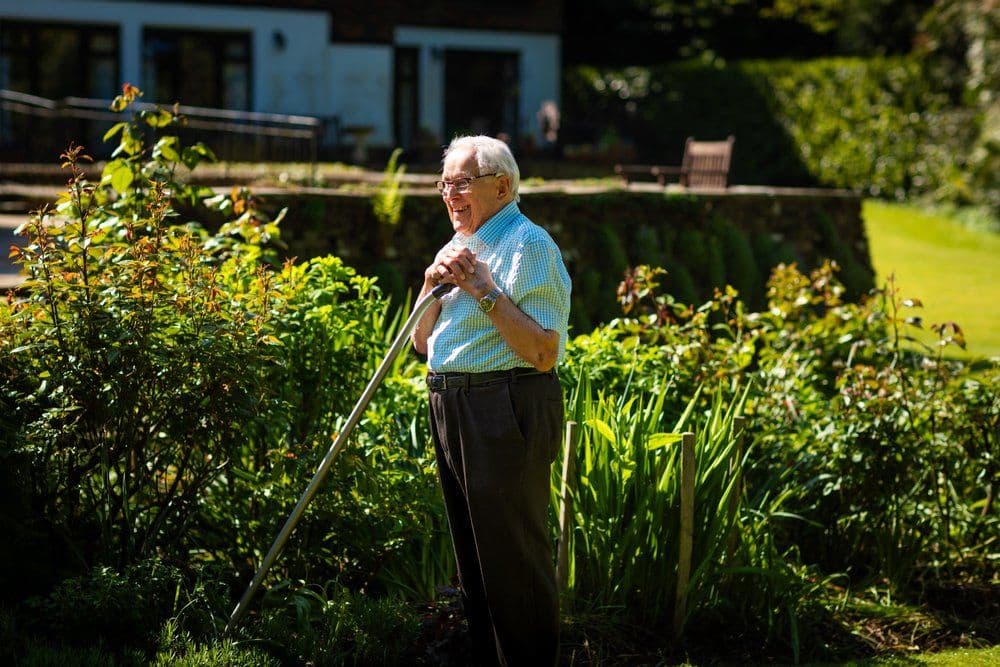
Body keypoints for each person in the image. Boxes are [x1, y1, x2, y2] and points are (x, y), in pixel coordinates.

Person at [411, 135, 572, 666]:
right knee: (475, 560)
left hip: (505, 404)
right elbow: (418, 342)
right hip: (452, 404)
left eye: (461, 183)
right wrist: (429, 284)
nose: (449, 194)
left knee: (514, 563)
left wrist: (484, 290)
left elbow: (544, 352)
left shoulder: (531, 246)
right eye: (444, 184)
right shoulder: (456, 244)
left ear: (501, 186)